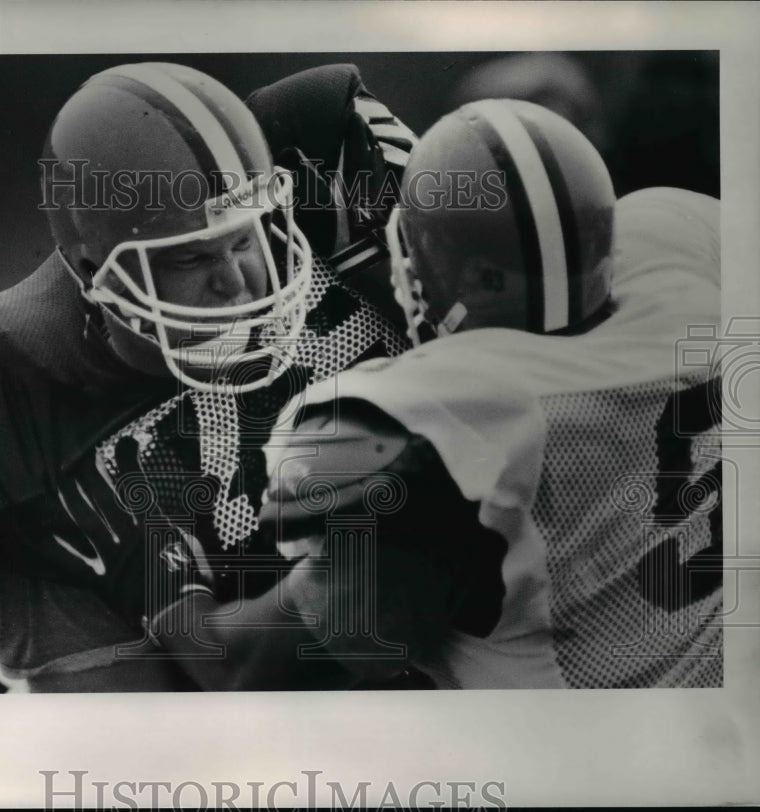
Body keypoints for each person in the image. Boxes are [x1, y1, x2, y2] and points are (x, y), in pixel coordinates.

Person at [0, 62, 413, 691]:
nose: (237, 280)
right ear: (89, 269)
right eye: (191, 257)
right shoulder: (9, 381)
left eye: (245, 240)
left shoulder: (325, 146)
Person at [151, 98, 722, 689]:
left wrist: (154, 556)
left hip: (591, 768)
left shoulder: (443, 439)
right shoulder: (680, 246)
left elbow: (243, 667)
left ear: (467, 282)